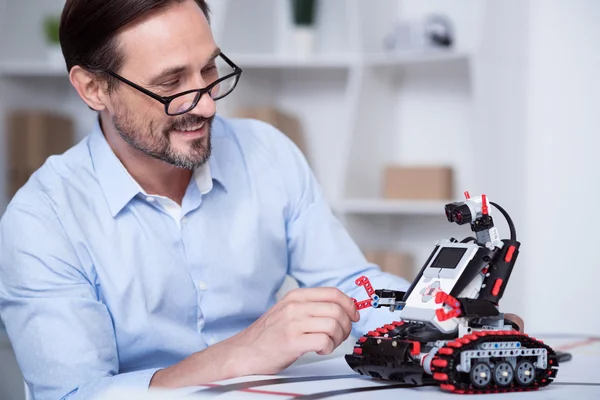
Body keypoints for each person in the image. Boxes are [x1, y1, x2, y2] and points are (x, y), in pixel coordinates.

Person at [0, 1, 522, 399]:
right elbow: (74, 394)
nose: (204, 103)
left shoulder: (267, 152)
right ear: (93, 89)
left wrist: (448, 324)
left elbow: (348, 283)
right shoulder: (40, 221)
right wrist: (244, 353)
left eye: (209, 70)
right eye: (170, 85)